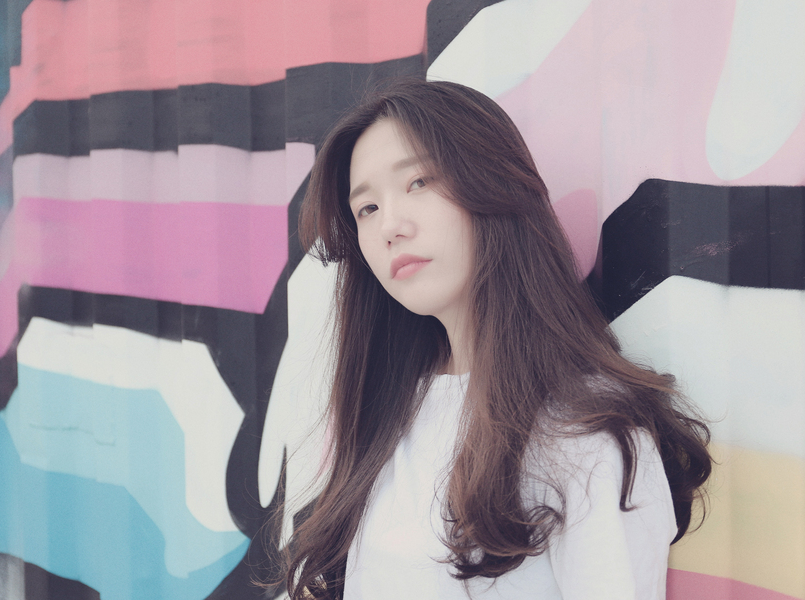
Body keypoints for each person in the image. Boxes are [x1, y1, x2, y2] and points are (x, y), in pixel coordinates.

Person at [282, 79, 711, 600]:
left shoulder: (587, 431)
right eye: (366, 208)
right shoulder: (387, 414)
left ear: (490, 183)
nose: (389, 225)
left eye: (418, 181)